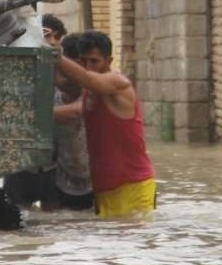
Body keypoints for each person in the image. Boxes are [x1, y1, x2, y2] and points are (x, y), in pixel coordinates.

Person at [56, 30, 156, 217]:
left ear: (109, 61)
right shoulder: (88, 90)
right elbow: (61, 81)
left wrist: (52, 54)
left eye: (94, 61)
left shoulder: (118, 83)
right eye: (83, 61)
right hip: (104, 189)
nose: (88, 67)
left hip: (132, 185)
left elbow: (85, 78)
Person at [3, 17, 94, 212]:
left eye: (57, 37)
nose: (52, 42)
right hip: (22, 162)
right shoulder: (20, 72)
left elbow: (77, 105)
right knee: (20, 215)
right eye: (46, 36)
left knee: (53, 215)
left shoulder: (71, 78)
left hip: (56, 167)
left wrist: (25, 115)